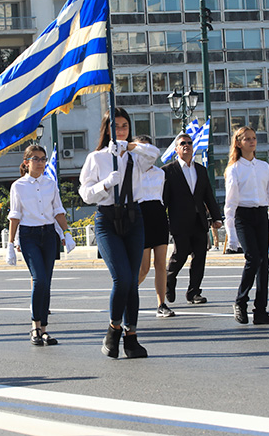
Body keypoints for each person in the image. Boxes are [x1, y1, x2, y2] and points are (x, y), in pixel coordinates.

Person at [79, 107, 158, 358]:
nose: (121, 130)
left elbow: (155, 153)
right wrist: (105, 183)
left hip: (134, 217)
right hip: (107, 218)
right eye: (116, 126)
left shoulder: (136, 155)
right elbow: (85, 193)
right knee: (122, 278)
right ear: (107, 129)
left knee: (132, 281)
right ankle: (113, 328)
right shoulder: (97, 158)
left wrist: (130, 147)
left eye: (125, 126)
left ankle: (131, 337)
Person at [8, 145, 74, 346]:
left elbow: (58, 210)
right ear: (26, 162)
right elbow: (15, 215)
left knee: (47, 282)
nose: (40, 163)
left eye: (43, 159)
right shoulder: (18, 186)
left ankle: (44, 329)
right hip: (29, 235)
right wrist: (11, 243)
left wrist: (67, 232)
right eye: (35, 159)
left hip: (48, 234)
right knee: (39, 279)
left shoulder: (50, 183)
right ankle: (35, 327)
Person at [225, 127, 269, 325]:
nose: (252, 142)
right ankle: (240, 301)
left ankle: (261, 310)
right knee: (252, 258)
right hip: (243, 216)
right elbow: (230, 204)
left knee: (264, 263)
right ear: (238, 143)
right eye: (247, 139)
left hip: (261, 215)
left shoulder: (263, 167)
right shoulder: (234, 169)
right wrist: (232, 236)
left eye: (254, 138)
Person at [163, 133, 223, 307]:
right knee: (180, 255)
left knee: (200, 257)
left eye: (189, 143)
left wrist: (216, 218)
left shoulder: (201, 170)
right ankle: (169, 279)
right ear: (176, 149)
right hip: (179, 222)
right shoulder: (168, 170)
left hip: (199, 221)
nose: (186, 146)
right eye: (182, 143)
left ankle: (194, 292)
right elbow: (164, 200)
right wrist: (161, 221)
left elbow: (209, 197)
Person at [133, 135, 173, 318]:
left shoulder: (160, 173)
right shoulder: (133, 172)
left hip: (158, 213)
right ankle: (127, 291)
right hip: (140, 214)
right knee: (143, 267)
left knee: (160, 263)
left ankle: (161, 304)